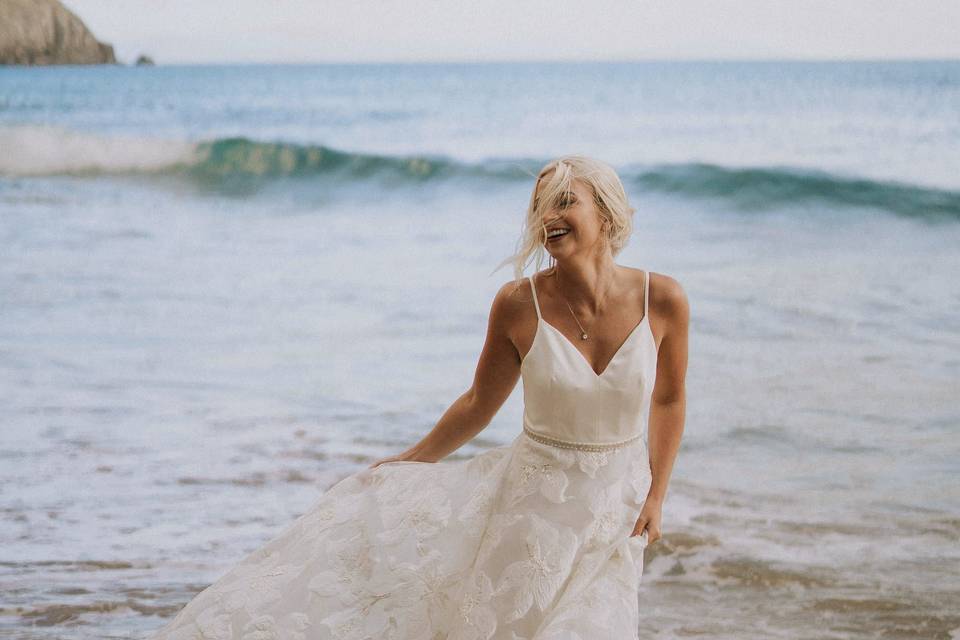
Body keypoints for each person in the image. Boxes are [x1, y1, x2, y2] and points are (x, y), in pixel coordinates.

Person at [147, 155, 689, 640]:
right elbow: (479, 401)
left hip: (616, 504)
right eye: (539, 205)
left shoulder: (661, 298)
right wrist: (410, 460)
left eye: (565, 201)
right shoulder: (518, 305)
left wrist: (657, 494)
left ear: (608, 214)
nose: (549, 215)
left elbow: (668, 399)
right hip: (533, 505)